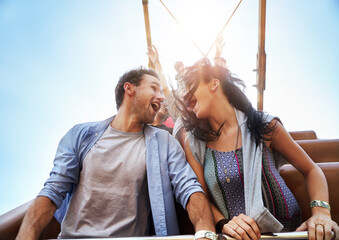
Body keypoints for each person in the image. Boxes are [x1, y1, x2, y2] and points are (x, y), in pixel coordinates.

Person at [16, 67, 216, 240]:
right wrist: (26, 236)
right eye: (154, 87)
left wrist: (206, 232)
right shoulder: (80, 135)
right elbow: (53, 191)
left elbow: (189, 188)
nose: (161, 96)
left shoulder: (164, 142)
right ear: (129, 88)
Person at [176, 59, 339, 240]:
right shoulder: (194, 143)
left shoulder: (264, 125)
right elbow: (202, 197)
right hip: (240, 237)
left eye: (191, 85)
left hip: (290, 234)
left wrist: (321, 212)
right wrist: (224, 223)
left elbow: (311, 169)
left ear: (214, 83)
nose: (184, 96)